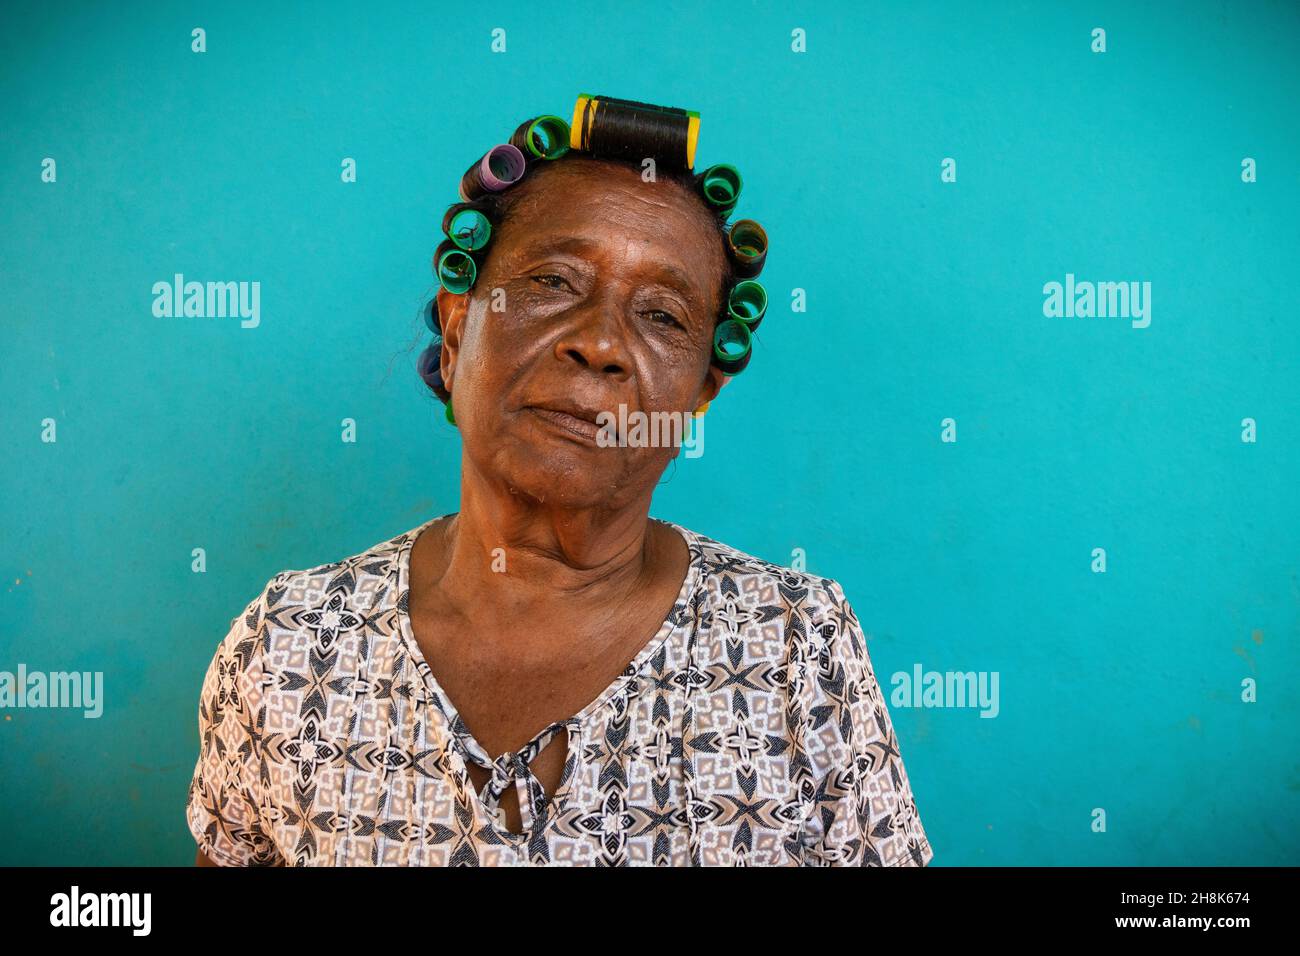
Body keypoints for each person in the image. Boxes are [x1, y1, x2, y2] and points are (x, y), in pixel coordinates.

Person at [186, 96, 934, 866]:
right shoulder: (292, 645)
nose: (602, 343)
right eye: (551, 282)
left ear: (698, 397)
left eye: (664, 316)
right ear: (455, 333)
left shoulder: (794, 648)